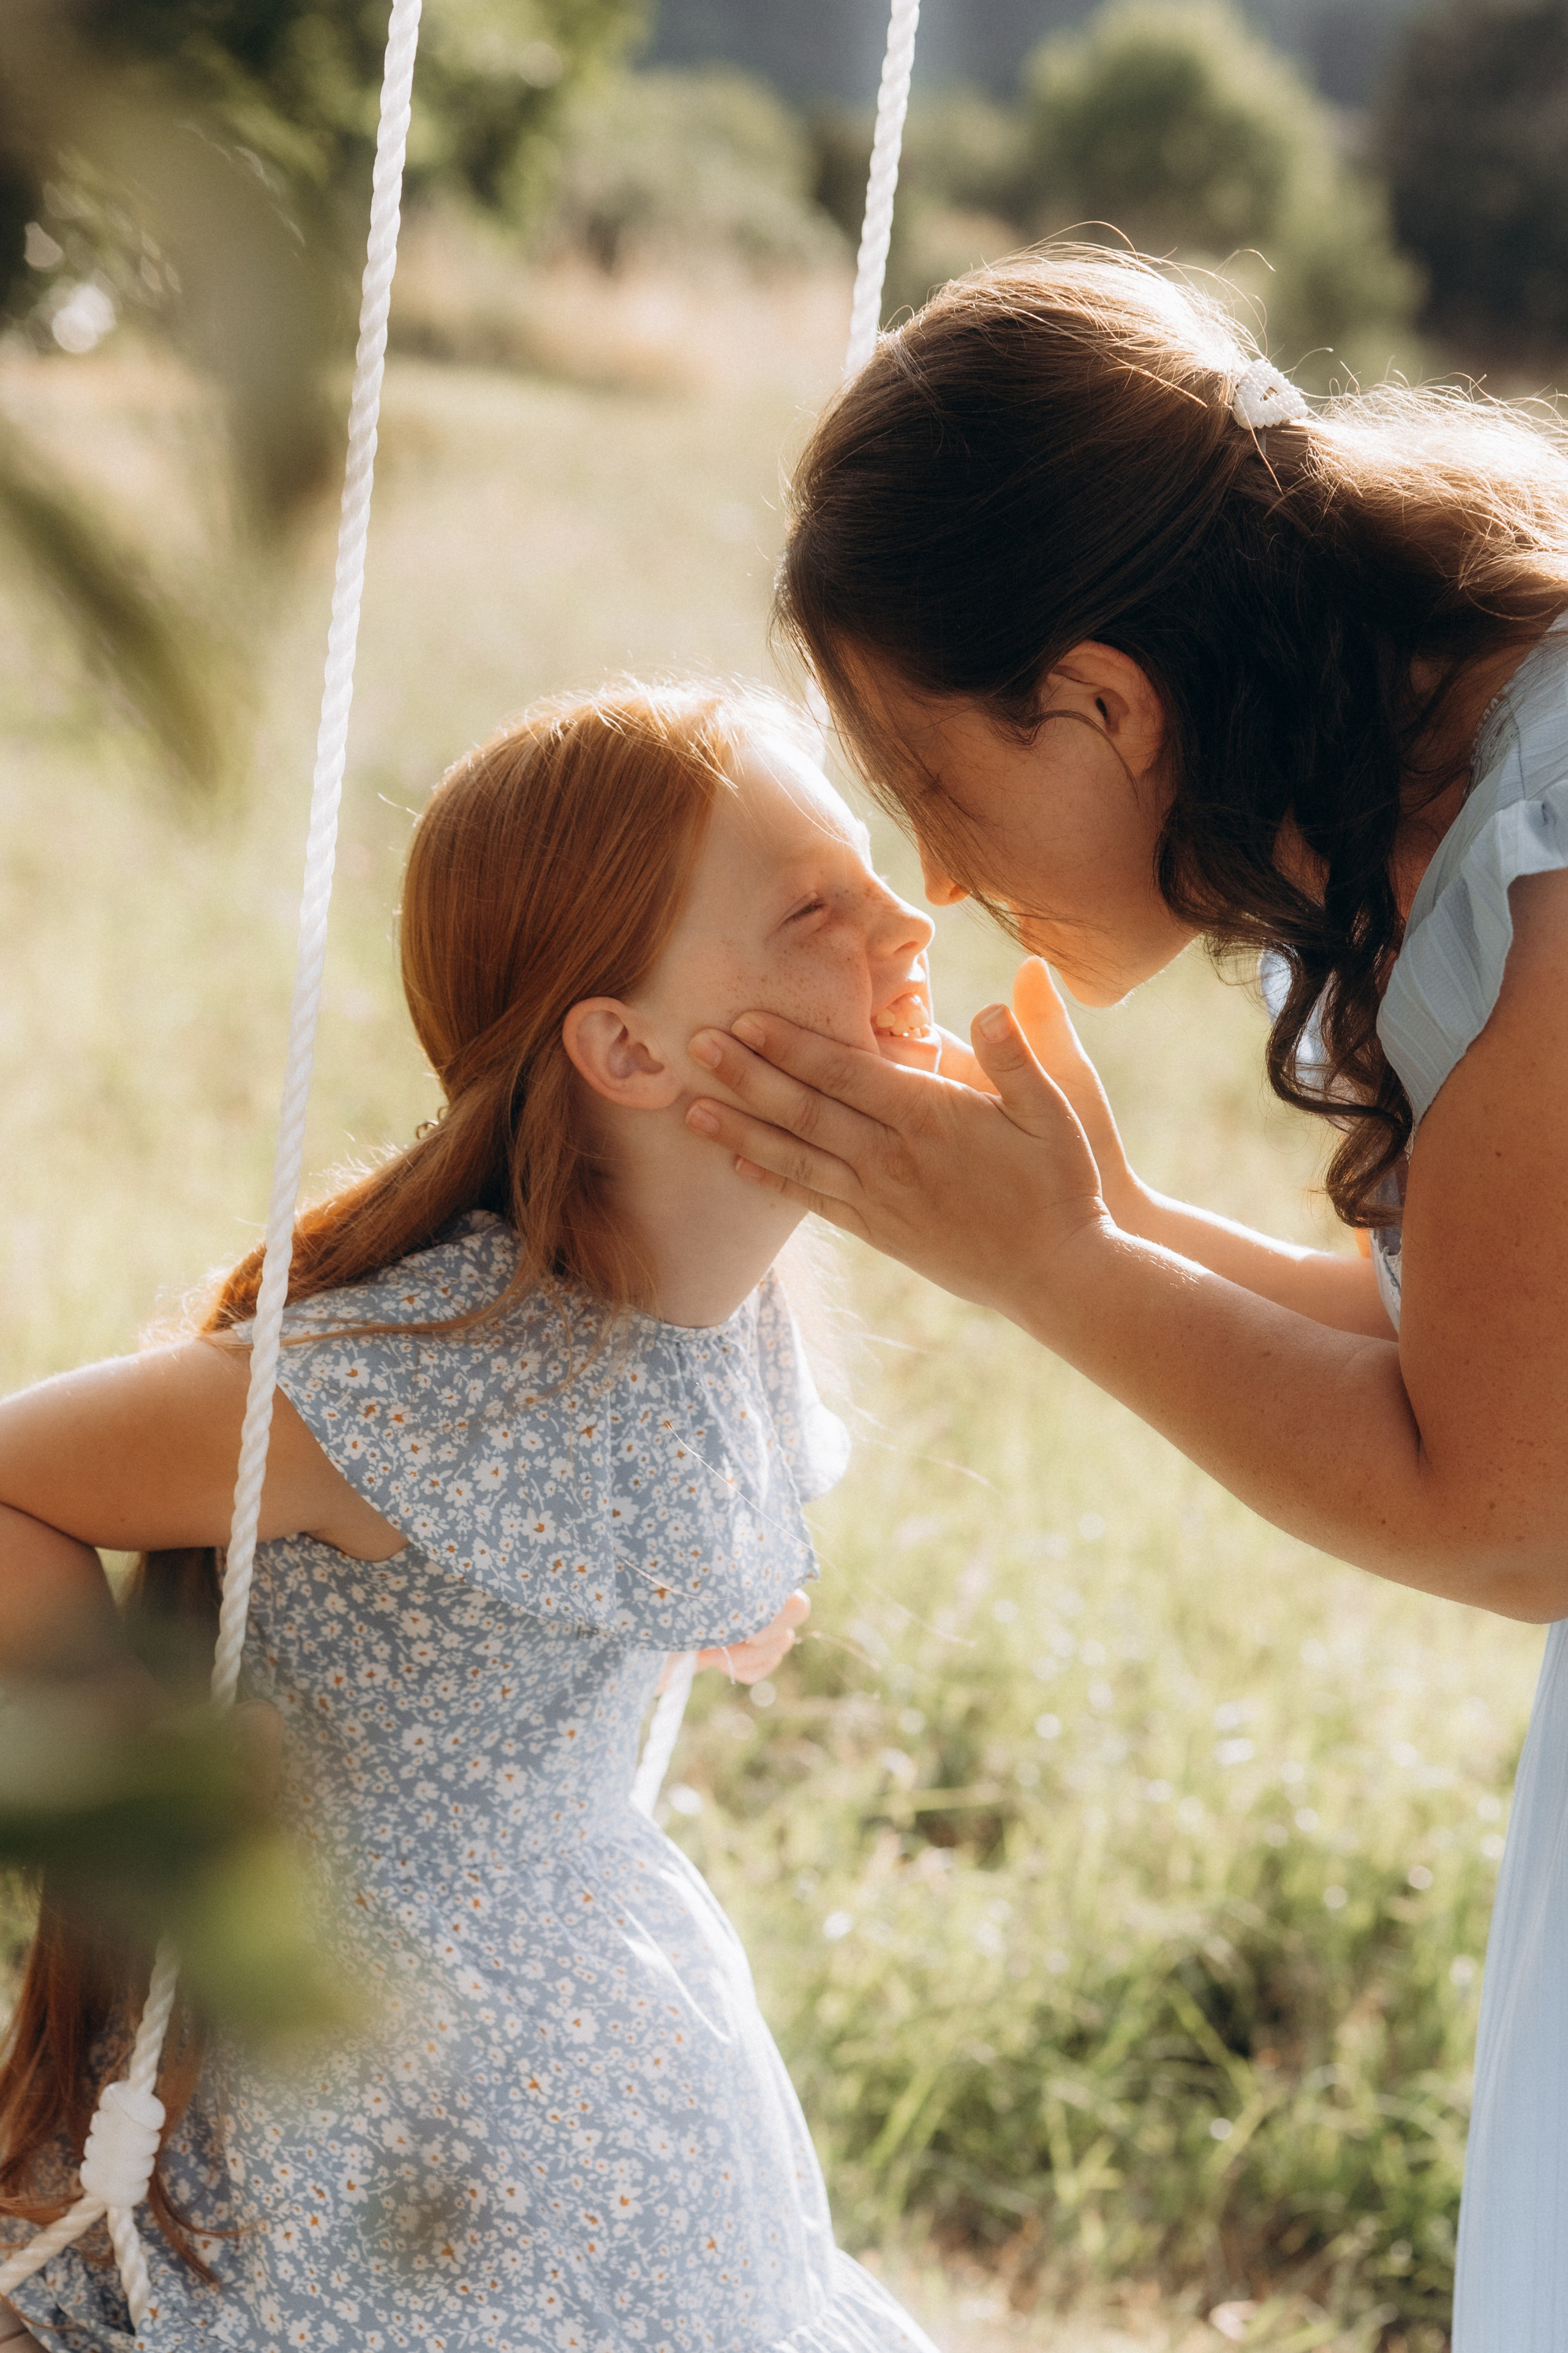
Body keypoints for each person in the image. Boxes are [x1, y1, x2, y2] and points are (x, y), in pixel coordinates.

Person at [678, 251, 1568, 2347]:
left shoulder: (1534, 850)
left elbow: (1517, 1511)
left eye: (931, 788)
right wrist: (1105, 1221)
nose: (940, 877)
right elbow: (1483, 1354)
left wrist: (1056, 1265)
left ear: (1100, 701)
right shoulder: (1436, 770)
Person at [0, 682, 944, 2352]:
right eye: (817, 909)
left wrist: (681, 1604)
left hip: (619, 2043)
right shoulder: (406, 1380)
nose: (908, 923)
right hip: (373, 2107)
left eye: (875, 876)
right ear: (627, 1049)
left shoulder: (734, 1311)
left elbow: (589, 1530)